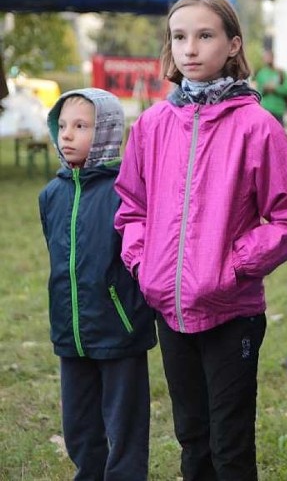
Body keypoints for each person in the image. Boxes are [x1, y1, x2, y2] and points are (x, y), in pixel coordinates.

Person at [114, 0, 287, 480]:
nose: (190, 48)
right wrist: (144, 264)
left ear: (232, 44)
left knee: (230, 444)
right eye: (179, 37)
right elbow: (131, 207)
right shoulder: (151, 125)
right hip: (169, 308)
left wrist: (232, 267)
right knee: (192, 438)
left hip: (232, 314)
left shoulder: (256, 126)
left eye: (205, 35)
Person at [39, 88, 156, 479]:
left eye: (81, 126)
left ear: (106, 132)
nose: (67, 135)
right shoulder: (50, 195)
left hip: (118, 329)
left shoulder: (125, 192)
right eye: (63, 126)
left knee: (124, 425)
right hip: (70, 330)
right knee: (78, 424)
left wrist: (130, 313)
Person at [254, 49, 287, 124]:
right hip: (265, 110)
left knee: (279, 134)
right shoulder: (261, 74)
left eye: (269, 57)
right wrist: (264, 89)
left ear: (273, 58)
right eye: (265, 57)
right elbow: (258, 93)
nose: (267, 59)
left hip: (279, 110)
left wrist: (275, 88)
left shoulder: (281, 73)